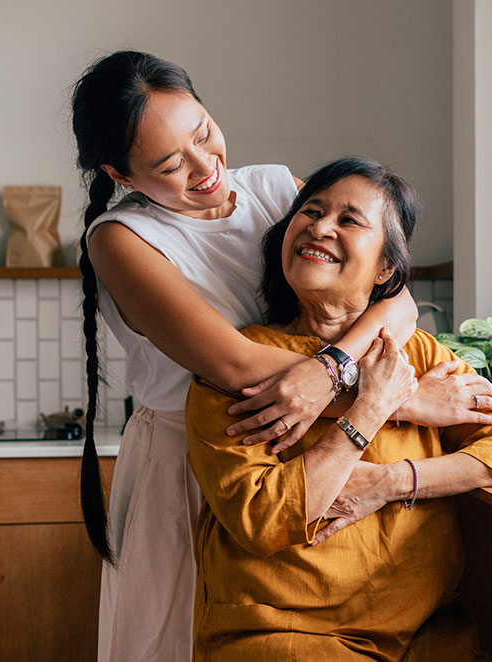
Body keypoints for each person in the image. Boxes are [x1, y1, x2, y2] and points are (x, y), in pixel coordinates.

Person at [71, 51, 432, 662]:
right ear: (121, 174)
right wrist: (407, 399)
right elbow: (234, 365)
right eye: (169, 164)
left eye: (203, 133)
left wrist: (331, 370)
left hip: (301, 453)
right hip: (188, 465)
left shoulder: (276, 188)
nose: (205, 167)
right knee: (179, 639)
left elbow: (396, 299)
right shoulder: (120, 239)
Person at [185, 157, 492, 661]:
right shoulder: (236, 368)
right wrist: (370, 408)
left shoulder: (418, 353)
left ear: (385, 268)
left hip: (428, 636)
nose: (319, 226)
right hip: (283, 637)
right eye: (310, 211)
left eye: (349, 220)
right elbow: (262, 516)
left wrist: (393, 482)